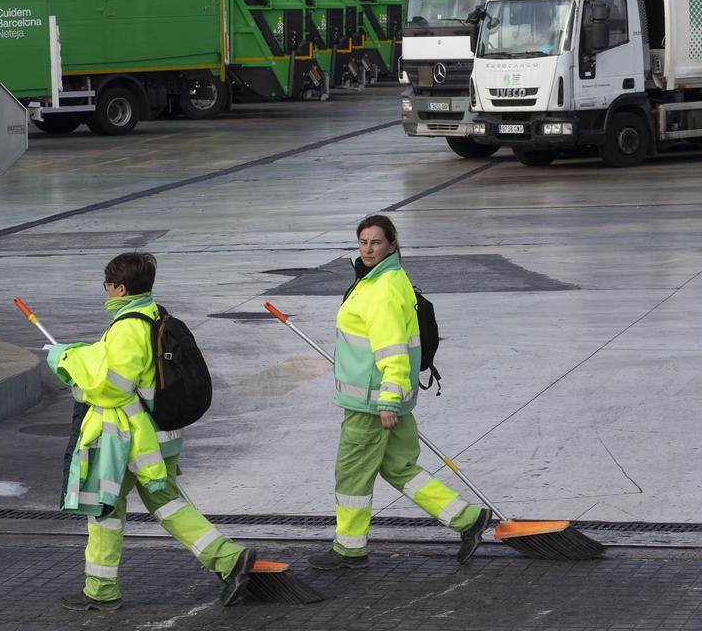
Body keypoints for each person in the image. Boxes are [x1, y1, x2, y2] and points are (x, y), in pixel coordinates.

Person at [47, 252, 257, 610]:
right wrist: (88, 354)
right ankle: (230, 559)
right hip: (162, 436)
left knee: (104, 511)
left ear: (120, 287)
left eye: (108, 285)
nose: (106, 291)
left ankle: (100, 592)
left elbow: (112, 388)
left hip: (128, 442)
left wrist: (68, 367)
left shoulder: (127, 327)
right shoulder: (156, 315)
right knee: (169, 504)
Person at [308, 215, 491, 570]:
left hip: (373, 404)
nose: (368, 249)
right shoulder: (380, 279)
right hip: (383, 399)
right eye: (363, 242)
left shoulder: (383, 289)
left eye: (376, 242)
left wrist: (387, 402)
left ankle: (349, 550)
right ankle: (467, 519)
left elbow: (392, 350)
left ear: (392, 244)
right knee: (398, 467)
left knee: (351, 476)